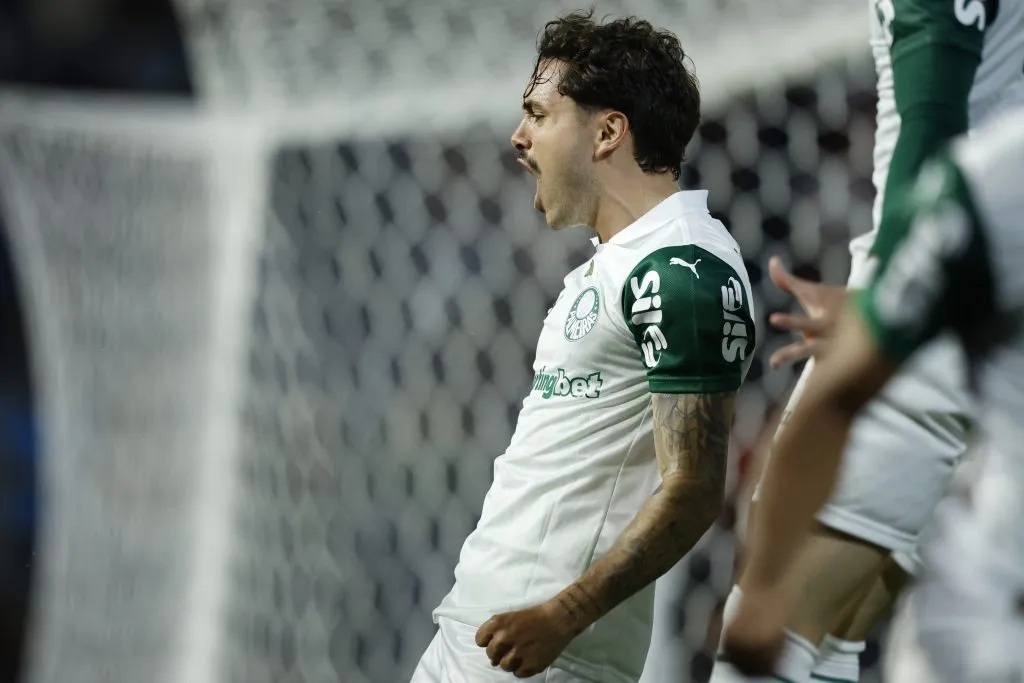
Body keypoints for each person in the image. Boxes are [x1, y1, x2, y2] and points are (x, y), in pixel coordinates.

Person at [409, 10, 757, 683]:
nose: (518, 137)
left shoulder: (684, 273)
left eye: (539, 114)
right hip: (485, 635)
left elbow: (694, 488)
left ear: (606, 132)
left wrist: (561, 618)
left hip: (547, 655)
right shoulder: (617, 265)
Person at [709, 1, 1024, 681]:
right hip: (988, 325)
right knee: (834, 634)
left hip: (940, 313)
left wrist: (888, 292)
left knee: (773, 634)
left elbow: (932, 114)